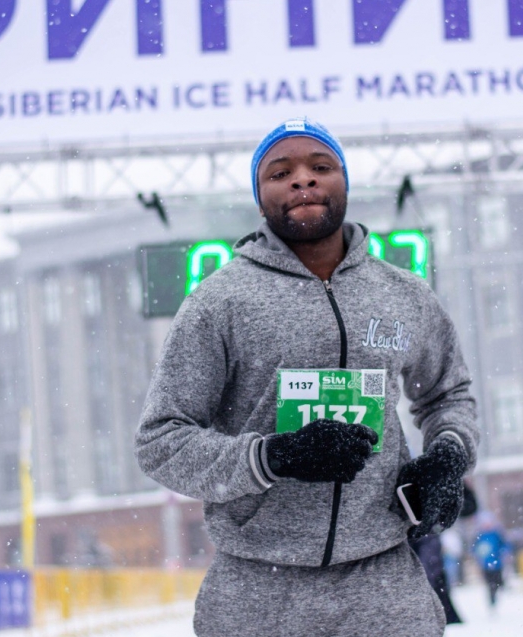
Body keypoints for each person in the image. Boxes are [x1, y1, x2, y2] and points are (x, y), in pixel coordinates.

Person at [135, 117, 479, 636]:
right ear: (260, 197)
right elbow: (160, 441)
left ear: (345, 182)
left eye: (321, 167)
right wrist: (274, 456)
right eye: (281, 172)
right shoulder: (219, 302)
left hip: (384, 585)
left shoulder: (403, 293)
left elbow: (448, 394)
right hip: (256, 595)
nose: (303, 180)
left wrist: (449, 454)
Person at [472, 511, 509, 610]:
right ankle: (492, 598)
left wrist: (504, 553)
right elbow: (475, 548)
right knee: (490, 584)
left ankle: (498, 588)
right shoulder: (480, 535)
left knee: (496, 582)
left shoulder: (496, 534)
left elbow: (504, 545)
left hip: (497, 563)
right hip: (485, 564)